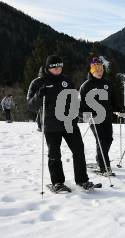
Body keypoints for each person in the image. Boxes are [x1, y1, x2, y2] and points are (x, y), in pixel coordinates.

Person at [27, 55, 95, 191]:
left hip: (69, 123)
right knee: (54, 154)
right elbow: (30, 105)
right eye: (55, 67)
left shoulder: (66, 81)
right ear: (48, 68)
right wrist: (39, 95)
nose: (59, 69)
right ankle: (57, 182)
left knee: (79, 150)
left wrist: (81, 110)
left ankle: (82, 180)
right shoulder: (38, 82)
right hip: (51, 124)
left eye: (60, 67)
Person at [80, 57, 121, 176]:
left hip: (107, 117)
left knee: (108, 139)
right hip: (94, 118)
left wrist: (118, 108)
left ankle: (100, 158)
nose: (99, 72)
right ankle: (104, 166)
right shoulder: (86, 86)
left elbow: (113, 99)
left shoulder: (108, 83)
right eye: (97, 70)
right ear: (92, 71)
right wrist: (87, 116)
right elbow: (81, 106)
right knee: (101, 140)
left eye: (101, 69)